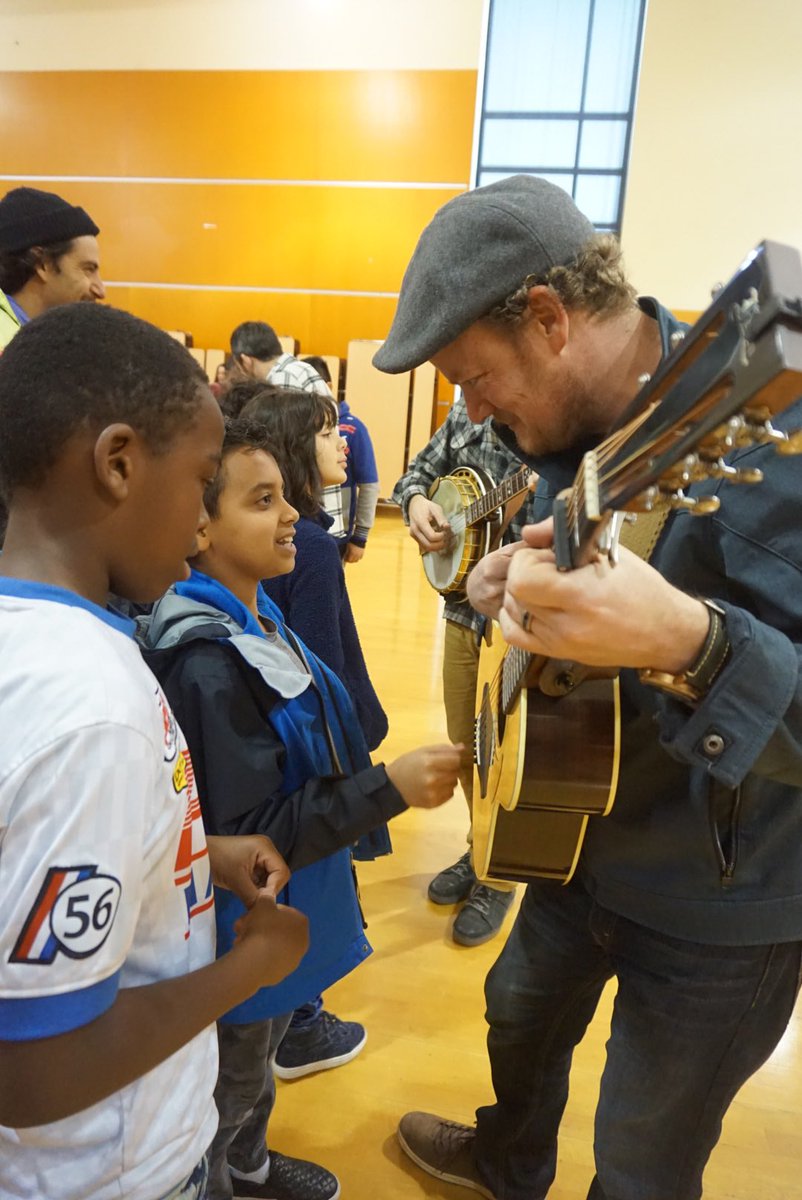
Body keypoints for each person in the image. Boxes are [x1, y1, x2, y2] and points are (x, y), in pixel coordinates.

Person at [373, 174, 802, 1200]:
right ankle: (506, 1163)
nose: (470, 411)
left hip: (721, 895)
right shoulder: (562, 423)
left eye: (474, 379)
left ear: (549, 319)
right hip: (571, 842)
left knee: (642, 1153)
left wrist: (694, 641)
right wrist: (508, 578)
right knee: (516, 1019)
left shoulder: (771, 441)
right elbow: (571, 567)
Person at [0, 304, 309, 1200]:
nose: (202, 524)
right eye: (203, 480)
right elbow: (37, 1070)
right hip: (104, 1170)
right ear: (119, 463)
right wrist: (249, 968)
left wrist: (191, 856)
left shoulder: (38, 647)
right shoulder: (91, 710)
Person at [140, 417, 462, 1200]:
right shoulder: (207, 663)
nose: (292, 514)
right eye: (262, 501)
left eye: (284, 495)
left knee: (259, 1068)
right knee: (230, 1083)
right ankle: (219, 1180)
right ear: (200, 527)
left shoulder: (256, 616)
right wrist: (389, 788)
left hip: (286, 920)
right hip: (239, 933)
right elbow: (257, 840)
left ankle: (248, 1166)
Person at [241, 384, 390, 1078]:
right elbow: (322, 667)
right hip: (313, 750)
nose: (344, 442)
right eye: (328, 433)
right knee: (315, 878)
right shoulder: (311, 548)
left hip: (265, 747)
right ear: (296, 448)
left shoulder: (281, 540)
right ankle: (301, 1026)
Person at [392, 401, 531, 945]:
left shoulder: (559, 426)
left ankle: (500, 875)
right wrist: (419, 503)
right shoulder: (466, 416)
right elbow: (414, 476)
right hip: (460, 611)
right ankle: (481, 849)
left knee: (507, 755)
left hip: (524, 620)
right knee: (466, 744)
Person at [0, 186, 105, 349]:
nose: (101, 291)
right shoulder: (8, 352)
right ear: (43, 264)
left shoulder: (31, 342)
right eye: (88, 269)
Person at [302, 355, 381, 563]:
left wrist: (360, 536)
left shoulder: (354, 429)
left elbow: (369, 484)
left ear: (328, 386)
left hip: (338, 534)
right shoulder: (299, 429)